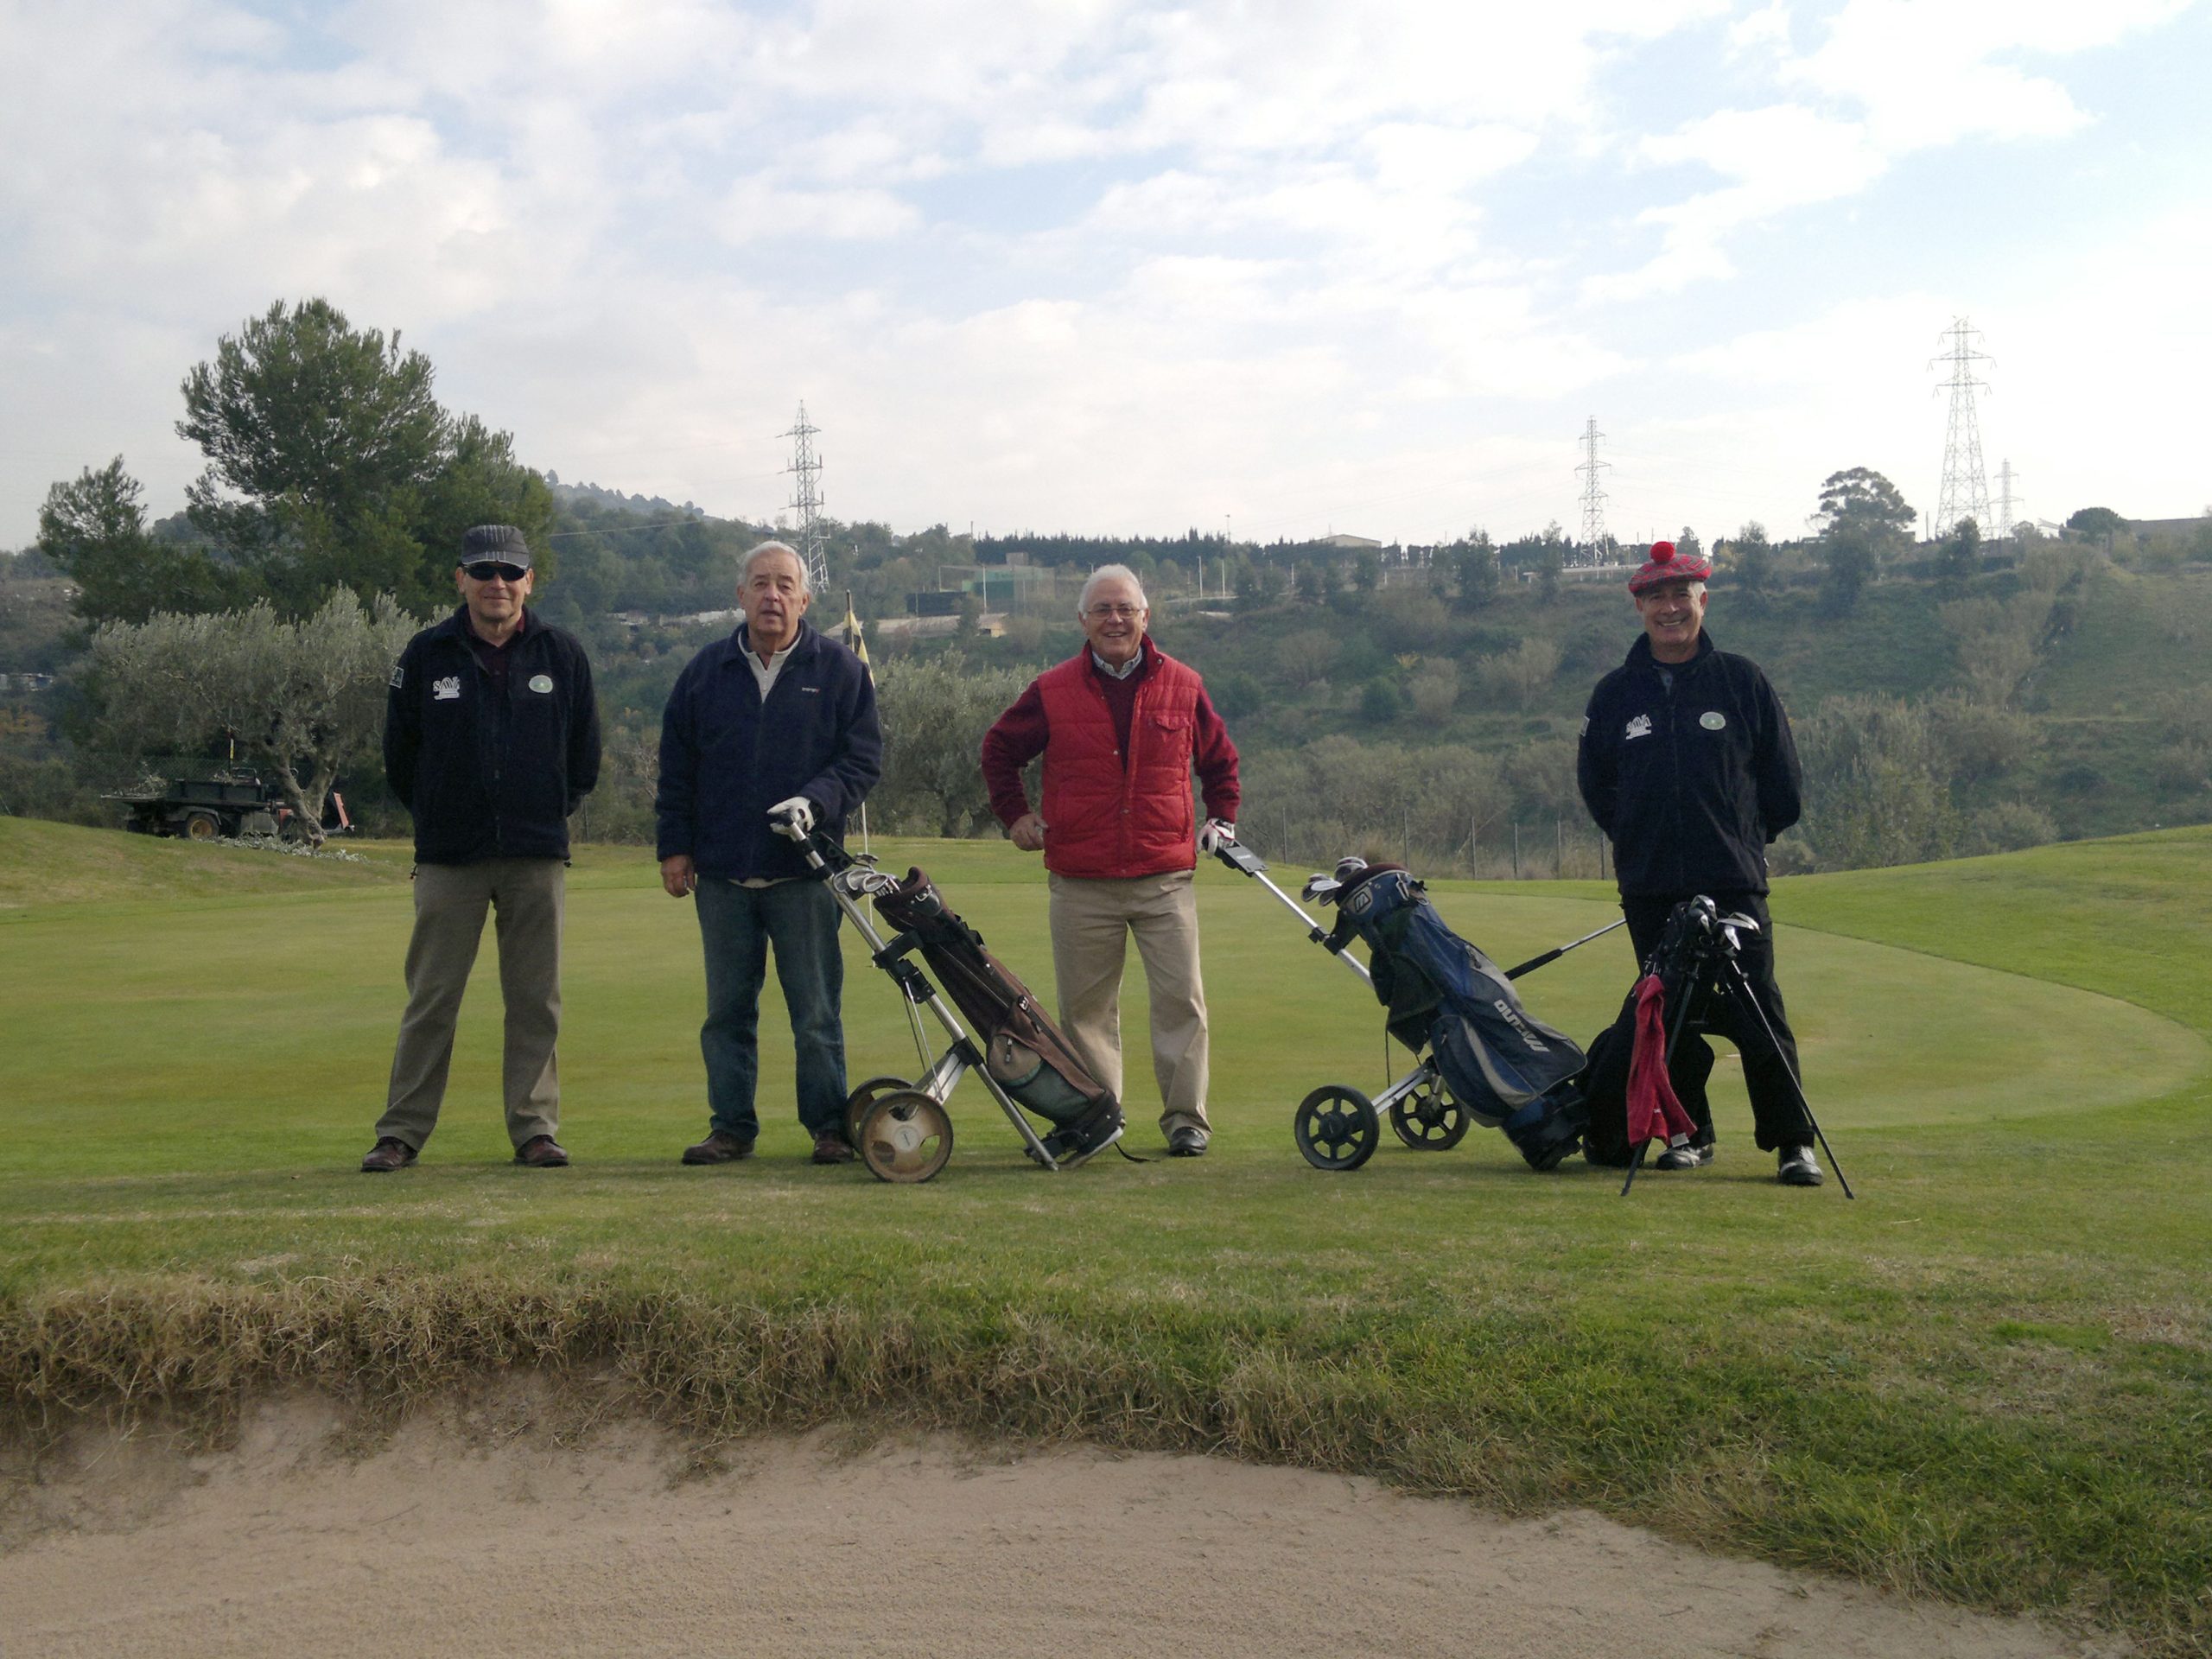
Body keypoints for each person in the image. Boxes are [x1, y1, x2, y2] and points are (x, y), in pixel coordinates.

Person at [1575, 538, 1822, 1185]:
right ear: (1639, 608)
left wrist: (1742, 838)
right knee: (1668, 1017)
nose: (1670, 608)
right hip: (1651, 887)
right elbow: (1597, 787)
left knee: (1759, 1011)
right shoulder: (1615, 694)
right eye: (1656, 597)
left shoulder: (1742, 680)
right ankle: (1689, 1133)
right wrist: (1637, 839)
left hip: (1733, 883)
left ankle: (1793, 1142)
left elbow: (1784, 786)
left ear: (1703, 600)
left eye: (1680, 595)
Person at [364, 524, 601, 1173]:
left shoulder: (562, 653)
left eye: (511, 572)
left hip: (535, 852)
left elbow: (584, 757)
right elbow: (400, 756)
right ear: (461, 579)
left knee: (535, 1000)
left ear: (530, 581)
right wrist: (440, 813)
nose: (498, 583)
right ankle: (401, 1132)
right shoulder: (426, 653)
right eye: (484, 571)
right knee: (432, 999)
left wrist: (543, 809)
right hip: (449, 856)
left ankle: (535, 1130)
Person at [981, 564, 1240, 1157]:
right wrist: (1014, 815)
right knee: (1086, 1013)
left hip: (1164, 877)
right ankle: (1100, 1120)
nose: (1115, 619)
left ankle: (1187, 1121)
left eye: (1126, 609)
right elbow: (999, 749)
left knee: (1182, 1004)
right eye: (1102, 609)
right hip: (1081, 880)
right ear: (1083, 620)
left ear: (1146, 617)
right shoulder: (1052, 689)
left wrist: (1222, 818)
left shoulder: (1184, 684)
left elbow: (1220, 761)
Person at [656, 540, 881, 1166]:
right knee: (727, 1013)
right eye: (760, 583)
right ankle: (731, 1128)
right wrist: (675, 847)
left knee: (815, 1013)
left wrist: (816, 800)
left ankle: (829, 1127)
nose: (772, 595)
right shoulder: (705, 672)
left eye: (785, 585)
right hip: (722, 874)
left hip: (806, 875)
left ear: (804, 599)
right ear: (741, 596)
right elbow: (677, 768)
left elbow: (862, 761)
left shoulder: (839, 670)